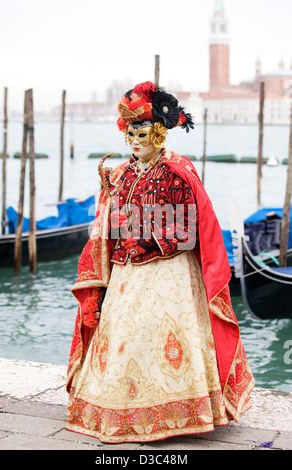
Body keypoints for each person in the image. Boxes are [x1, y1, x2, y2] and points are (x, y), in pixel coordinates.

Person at [66, 81, 254, 444]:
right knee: (122, 338)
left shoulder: (177, 170)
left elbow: (189, 229)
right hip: (125, 274)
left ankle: (177, 412)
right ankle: (120, 412)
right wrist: (113, 231)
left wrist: (145, 241)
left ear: (158, 132)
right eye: (130, 134)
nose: (134, 141)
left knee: (156, 332)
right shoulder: (119, 174)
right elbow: (108, 223)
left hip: (168, 273)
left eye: (142, 133)